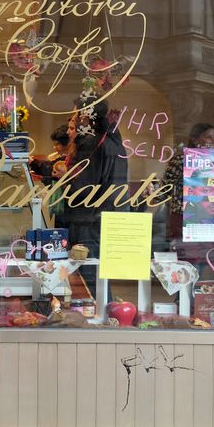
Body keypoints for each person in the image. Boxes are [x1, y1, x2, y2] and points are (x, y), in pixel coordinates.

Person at [62, 95, 128, 297]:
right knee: (99, 273)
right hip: (106, 214)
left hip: (88, 218)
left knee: (89, 274)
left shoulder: (92, 143)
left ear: (85, 116)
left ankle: (101, 311)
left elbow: (83, 188)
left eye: (76, 114)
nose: (73, 118)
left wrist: (64, 178)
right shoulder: (112, 140)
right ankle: (106, 308)